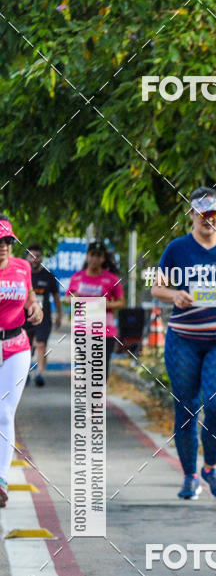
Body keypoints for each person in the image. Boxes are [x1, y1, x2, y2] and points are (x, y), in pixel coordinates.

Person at [151, 187, 216, 500]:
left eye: (214, 214)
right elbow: (158, 287)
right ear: (191, 215)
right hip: (183, 339)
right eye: (202, 214)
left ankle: (210, 466)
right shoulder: (177, 249)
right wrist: (174, 295)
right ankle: (189, 476)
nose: (208, 220)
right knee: (186, 407)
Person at [0, 216, 43, 506]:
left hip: (16, 346)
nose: (3, 247)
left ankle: (1, 480)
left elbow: (29, 298)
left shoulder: (22, 268)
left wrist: (35, 307)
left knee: (3, 411)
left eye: (7, 242)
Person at [66, 241, 125, 378]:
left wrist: (104, 304)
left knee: (100, 371)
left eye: (98, 256)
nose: (95, 259)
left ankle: (96, 397)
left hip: (105, 331)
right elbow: (68, 298)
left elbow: (121, 302)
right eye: (92, 255)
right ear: (87, 257)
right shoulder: (77, 277)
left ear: (103, 259)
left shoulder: (111, 279)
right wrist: (74, 299)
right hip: (83, 330)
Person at [24, 244, 62, 387]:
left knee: (41, 344)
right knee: (27, 346)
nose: (34, 259)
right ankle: (25, 372)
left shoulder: (48, 276)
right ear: (27, 257)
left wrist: (59, 315)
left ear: (42, 258)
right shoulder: (22, 274)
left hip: (43, 316)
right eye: (31, 256)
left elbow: (56, 296)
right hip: (24, 316)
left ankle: (40, 374)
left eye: (37, 256)